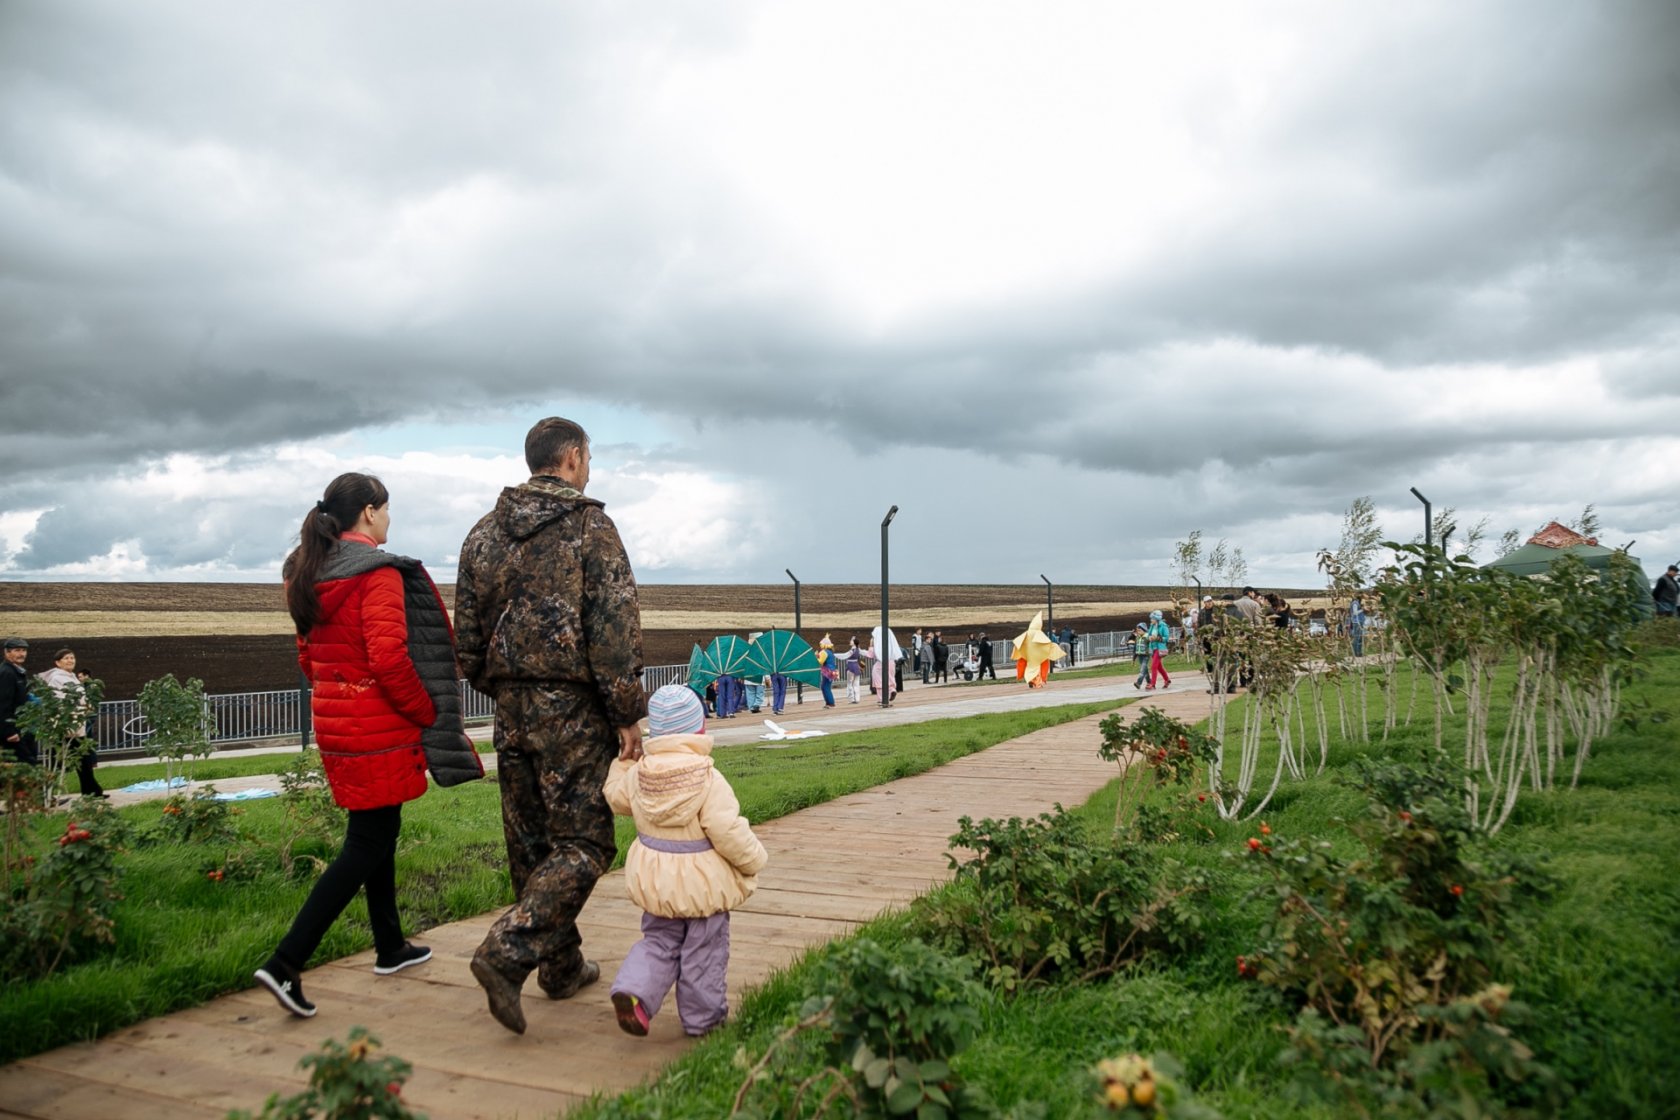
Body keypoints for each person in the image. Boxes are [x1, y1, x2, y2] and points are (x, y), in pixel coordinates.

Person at [255, 472, 481, 1020]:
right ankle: (286, 962)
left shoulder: (307, 572)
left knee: (379, 829)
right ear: (371, 512)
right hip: (379, 726)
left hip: (338, 724)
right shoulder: (377, 573)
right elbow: (389, 660)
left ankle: (390, 946)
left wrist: (340, 694)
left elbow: (309, 658)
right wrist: (425, 710)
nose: (389, 520)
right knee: (366, 841)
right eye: (386, 510)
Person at [454, 417, 647, 1035]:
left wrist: (508, 688)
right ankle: (506, 953)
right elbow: (614, 628)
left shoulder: (481, 537)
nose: (588, 467)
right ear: (571, 457)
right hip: (574, 712)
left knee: (532, 844)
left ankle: (560, 968)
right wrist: (626, 713)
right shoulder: (591, 527)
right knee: (586, 842)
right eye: (587, 456)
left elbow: (467, 644)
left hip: (509, 712)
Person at [605, 685, 767, 1038]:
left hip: (656, 880)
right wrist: (754, 858)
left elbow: (615, 797)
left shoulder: (639, 774)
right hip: (702, 885)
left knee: (658, 940)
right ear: (700, 730)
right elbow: (727, 830)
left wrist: (622, 764)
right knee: (704, 951)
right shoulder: (707, 777)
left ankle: (634, 992)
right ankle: (703, 1020)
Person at [37, 649, 103, 797]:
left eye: (72, 658)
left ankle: (92, 792)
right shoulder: (57, 678)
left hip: (75, 725)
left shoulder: (71, 676)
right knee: (58, 762)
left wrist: (86, 705)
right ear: (57, 662)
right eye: (66, 658)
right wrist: (82, 706)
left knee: (83, 759)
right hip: (64, 726)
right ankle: (43, 794)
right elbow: (60, 700)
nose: (70, 660)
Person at [1, 637, 40, 765]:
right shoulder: (7, 673)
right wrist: (9, 731)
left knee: (27, 763)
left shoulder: (18, 672)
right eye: (17, 650)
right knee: (28, 765)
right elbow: (3, 704)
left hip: (23, 728)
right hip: (14, 731)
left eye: (24, 650)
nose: (21, 654)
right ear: (7, 653)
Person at [1146, 610, 1172, 690]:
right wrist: (1149, 638)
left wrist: (1157, 638)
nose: (1151, 620)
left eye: (1152, 618)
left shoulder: (1163, 626)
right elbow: (1148, 635)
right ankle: (1167, 680)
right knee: (1159, 667)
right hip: (1153, 648)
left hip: (1160, 648)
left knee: (1153, 666)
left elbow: (1166, 638)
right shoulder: (1152, 626)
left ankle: (1153, 684)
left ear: (1157, 619)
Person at [816, 636, 838, 708]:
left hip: (827, 671)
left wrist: (815, 657)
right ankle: (829, 702)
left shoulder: (824, 652)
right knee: (826, 687)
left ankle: (830, 703)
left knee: (825, 687)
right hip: (832, 671)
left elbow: (820, 661)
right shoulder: (830, 652)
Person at [843, 637, 864, 704]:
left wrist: (835, 655)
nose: (850, 641)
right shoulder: (858, 649)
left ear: (854, 643)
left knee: (849, 683)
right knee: (856, 683)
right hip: (856, 667)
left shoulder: (852, 650)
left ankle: (851, 699)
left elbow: (844, 656)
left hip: (851, 666)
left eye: (851, 640)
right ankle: (857, 698)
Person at [1131, 624, 1151, 690]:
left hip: (1146, 656)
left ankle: (1138, 683)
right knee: (1145, 671)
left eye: (1140, 630)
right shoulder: (1137, 637)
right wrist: (1133, 659)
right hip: (1140, 656)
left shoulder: (1147, 637)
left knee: (1142, 670)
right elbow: (1135, 648)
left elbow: (1152, 645)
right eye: (1137, 630)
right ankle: (1149, 682)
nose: (1138, 632)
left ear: (1144, 630)